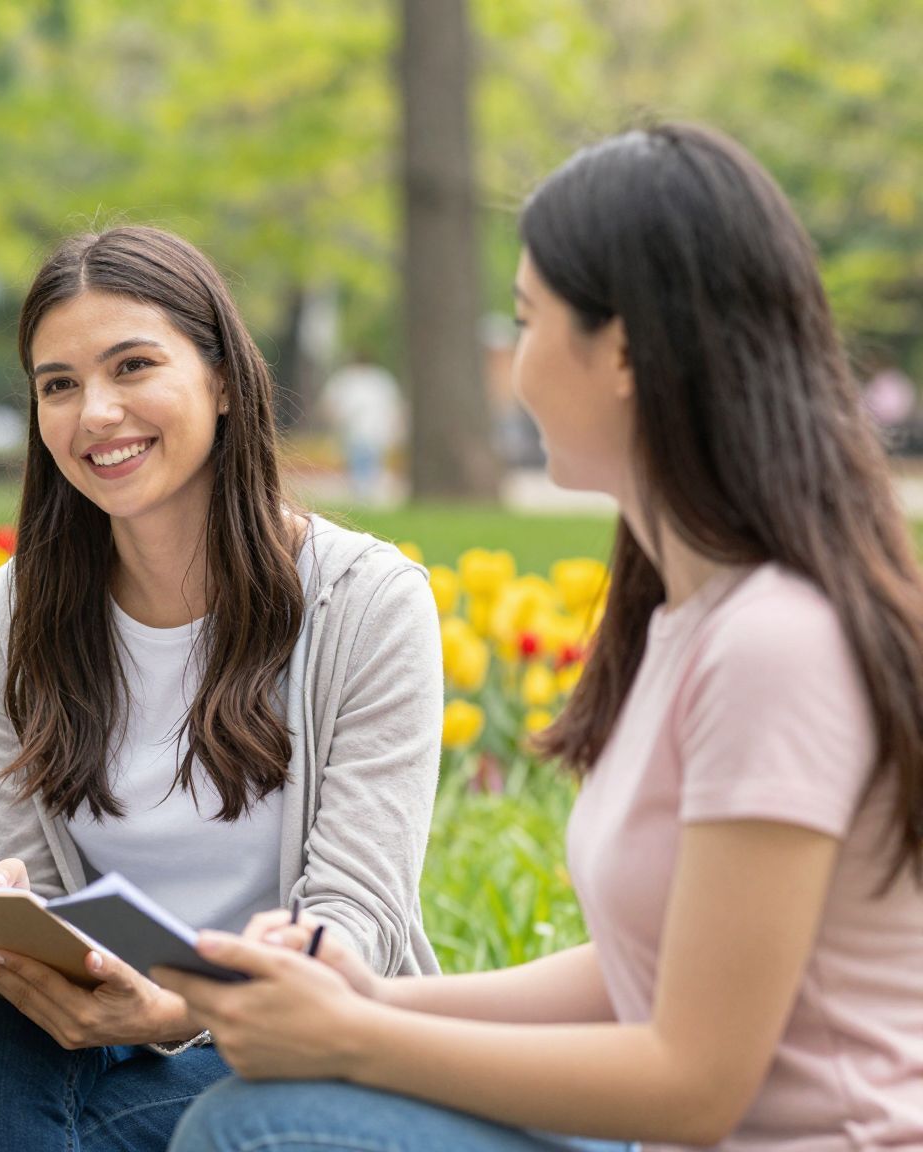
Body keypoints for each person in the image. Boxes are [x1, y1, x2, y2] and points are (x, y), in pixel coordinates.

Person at [158, 125, 923, 1151]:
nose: (511, 365)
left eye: (525, 319)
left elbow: (694, 1084)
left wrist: (348, 1042)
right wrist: (367, 1000)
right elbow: (639, 974)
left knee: (258, 1129)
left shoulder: (775, 646)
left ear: (620, 350)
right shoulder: (688, 621)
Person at [0, 225, 444, 1152]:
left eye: (133, 366)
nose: (95, 413)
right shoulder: (11, 617)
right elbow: (25, 883)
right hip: (93, 1036)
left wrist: (176, 1005)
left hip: (299, 1047)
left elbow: (353, 930)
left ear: (224, 378)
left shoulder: (367, 604)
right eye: (58, 385)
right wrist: (1, 917)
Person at [316, 348, 405, 503]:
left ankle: (365, 493)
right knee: (360, 462)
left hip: (372, 430)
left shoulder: (371, 379)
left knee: (368, 462)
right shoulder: (363, 379)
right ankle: (362, 493)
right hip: (357, 431)